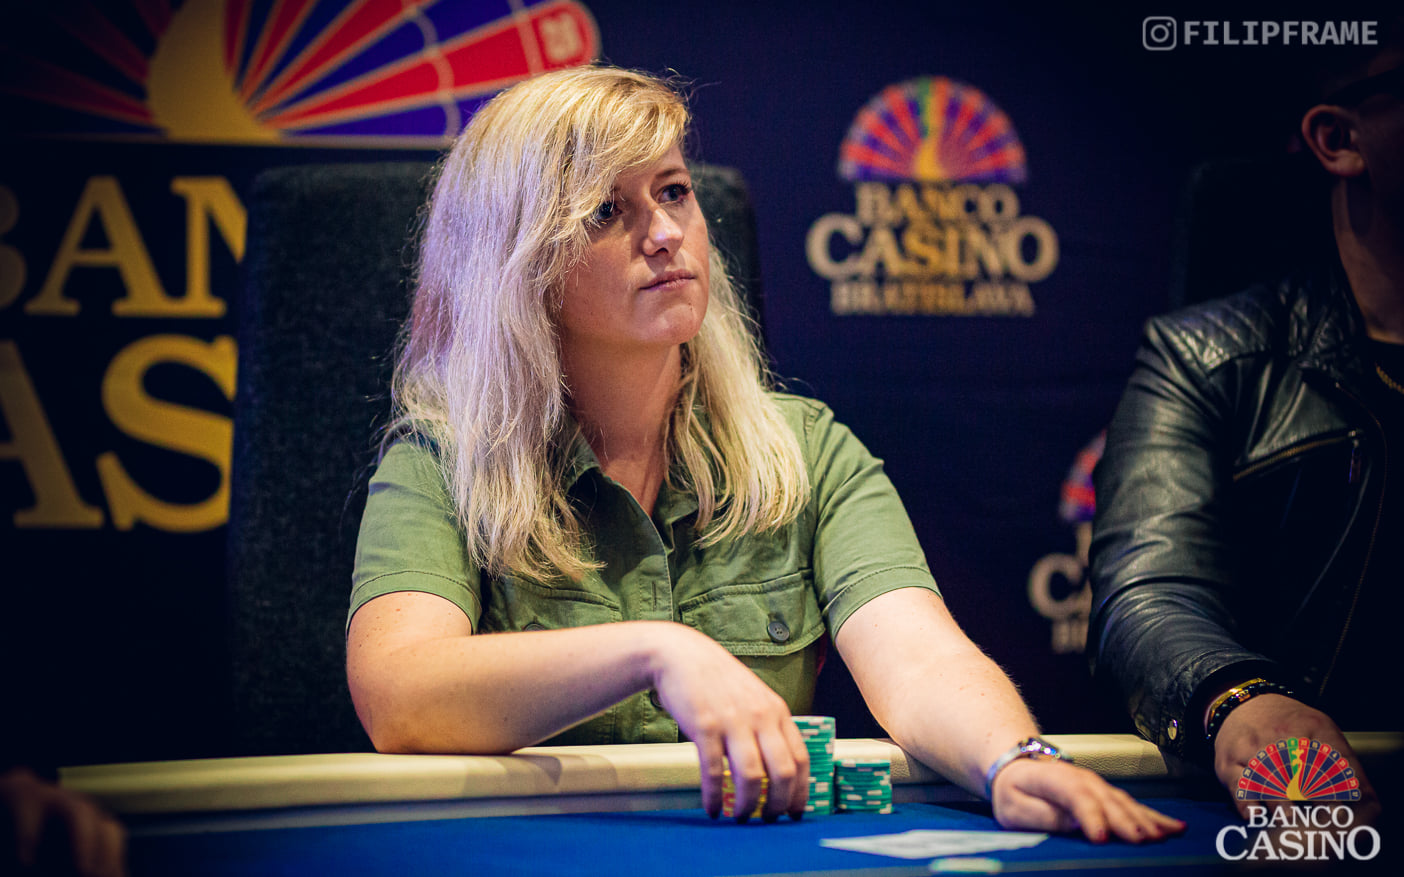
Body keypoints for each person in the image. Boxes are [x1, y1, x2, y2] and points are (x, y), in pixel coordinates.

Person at [346, 64, 1183, 841]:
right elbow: (399, 693)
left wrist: (1013, 758)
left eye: (673, 192)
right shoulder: (442, 460)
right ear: (518, 262)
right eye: (605, 211)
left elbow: (919, 658)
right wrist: (656, 650)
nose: (665, 233)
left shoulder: (805, 446)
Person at [1088, 33, 1404, 820]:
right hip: (1307, 802)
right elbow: (1150, 594)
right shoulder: (1203, 358)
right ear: (1338, 138)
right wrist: (1243, 700)